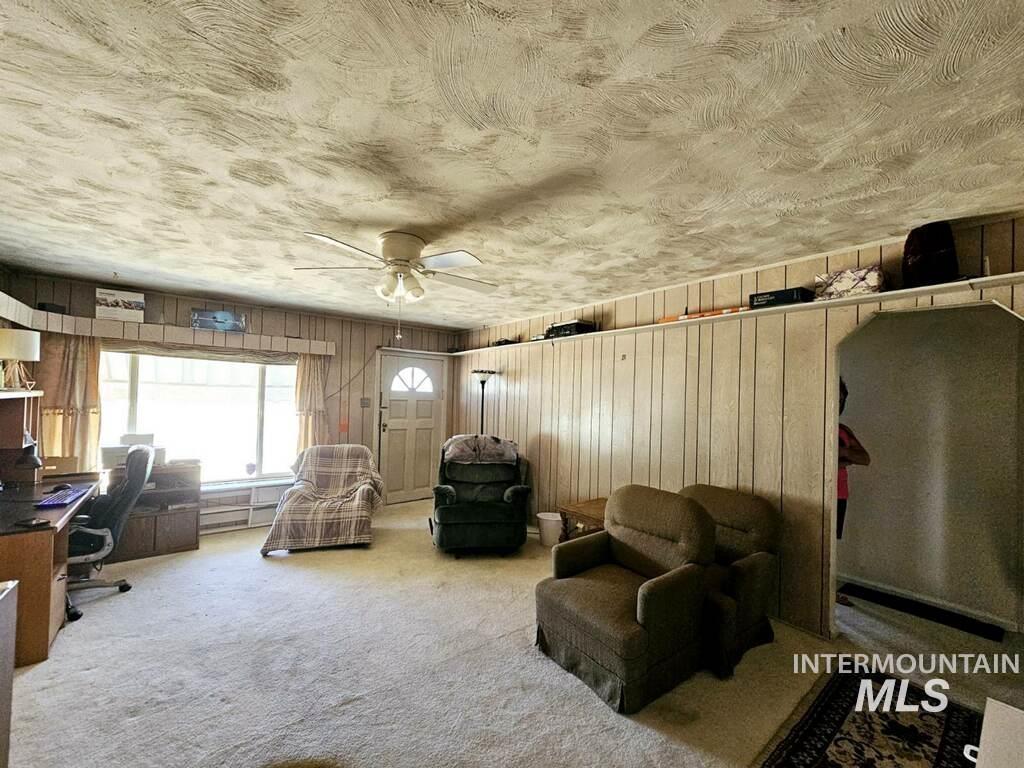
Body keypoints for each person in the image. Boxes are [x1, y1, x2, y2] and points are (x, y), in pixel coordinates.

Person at [837, 378, 870, 607]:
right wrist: (845, 457)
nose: (837, 401)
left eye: (840, 398)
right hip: (818, 492)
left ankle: (829, 591)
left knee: (832, 545)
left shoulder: (843, 430)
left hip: (839, 494)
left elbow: (865, 458)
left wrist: (842, 453)